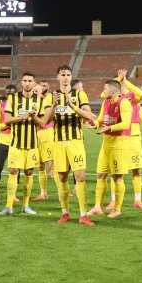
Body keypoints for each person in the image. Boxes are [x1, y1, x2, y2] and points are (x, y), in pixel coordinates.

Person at [38, 65, 95, 225]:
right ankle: (65, 213)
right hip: (58, 143)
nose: (65, 77)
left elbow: (89, 115)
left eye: (68, 75)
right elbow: (45, 120)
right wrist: (54, 105)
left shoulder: (80, 94)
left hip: (76, 142)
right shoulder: (51, 96)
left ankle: (83, 215)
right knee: (62, 178)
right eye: (62, 75)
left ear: (71, 77)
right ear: (58, 77)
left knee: (80, 177)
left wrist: (72, 106)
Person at [0, 72, 43, 216]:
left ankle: (25, 205)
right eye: (25, 80)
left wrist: (33, 116)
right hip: (16, 143)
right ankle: (8, 206)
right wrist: (24, 116)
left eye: (30, 81)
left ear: (34, 83)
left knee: (29, 173)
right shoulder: (13, 98)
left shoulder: (39, 100)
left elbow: (42, 123)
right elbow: (7, 120)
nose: (27, 83)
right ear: (21, 82)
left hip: (32, 144)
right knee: (13, 171)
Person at [88, 79, 133, 218]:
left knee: (117, 177)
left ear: (113, 91)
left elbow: (126, 124)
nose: (103, 91)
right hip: (106, 144)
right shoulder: (105, 102)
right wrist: (95, 124)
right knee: (100, 175)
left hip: (119, 144)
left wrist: (109, 128)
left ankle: (117, 209)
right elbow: (101, 119)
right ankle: (98, 207)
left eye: (105, 89)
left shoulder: (124, 103)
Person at [111, 69, 142, 210]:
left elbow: (141, 94)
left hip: (133, 136)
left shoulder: (133, 96)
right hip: (118, 136)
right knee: (116, 170)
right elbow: (103, 94)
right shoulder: (112, 98)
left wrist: (126, 81)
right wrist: (118, 80)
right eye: (117, 82)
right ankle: (113, 201)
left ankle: (138, 200)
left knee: (136, 168)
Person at [33, 80, 56, 200]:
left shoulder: (45, 101)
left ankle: (60, 192)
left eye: (38, 90)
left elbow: (46, 119)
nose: (36, 92)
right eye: (35, 90)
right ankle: (43, 193)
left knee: (52, 165)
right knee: (41, 166)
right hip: (36, 134)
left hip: (47, 133)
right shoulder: (32, 102)